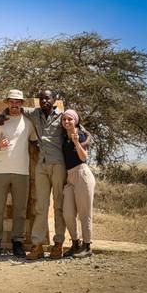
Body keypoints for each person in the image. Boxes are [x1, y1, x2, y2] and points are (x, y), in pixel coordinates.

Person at [0, 89, 91, 260]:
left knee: (59, 205)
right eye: (41, 98)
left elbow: (83, 130)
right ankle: (37, 245)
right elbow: (16, 108)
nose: (44, 101)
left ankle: (58, 244)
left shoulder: (62, 117)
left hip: (59, 165)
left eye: (47, 98)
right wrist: (3, 114)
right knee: (41, 206)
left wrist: (85, 143)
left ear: (54, 100)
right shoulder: (35, 114)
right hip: (41, 165)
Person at [0, 89, 37, 257]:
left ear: (22, 103)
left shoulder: (28, 123)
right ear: (7, 102)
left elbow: (35, 143)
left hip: (22, 172)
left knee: (20, 210)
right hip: (0, 171)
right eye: (12, 102)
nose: (14, 104)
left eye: (18, 102)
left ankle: (17, 243)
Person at [61, 109, 96, 258]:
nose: (67, 121)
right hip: (69, 177)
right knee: (68, 213)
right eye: (64, 119)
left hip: (82, 174)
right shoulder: (63, 136)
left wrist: (77, 141)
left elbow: (83, 157)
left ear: (75, 120)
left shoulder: (80, 135)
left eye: (70, 119)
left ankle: (87, 246)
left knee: (84, 212)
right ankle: (75, 243)